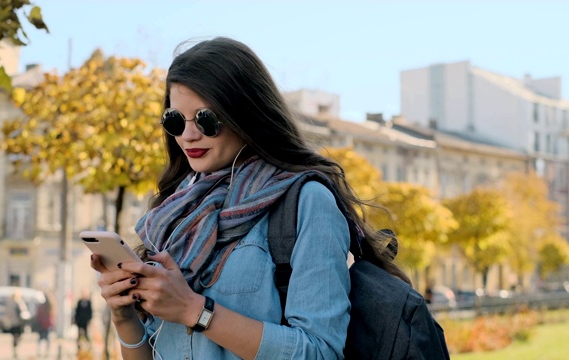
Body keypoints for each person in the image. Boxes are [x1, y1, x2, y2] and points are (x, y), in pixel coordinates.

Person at [91, 37, 408, 359]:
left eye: (205, 119)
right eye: (175, 120)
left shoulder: (305, 201)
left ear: (246, 114)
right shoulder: (173, 212)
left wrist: (194, 310)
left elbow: (320, 352)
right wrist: (123, 315)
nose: (188, 135)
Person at [3, 290, 29, 358]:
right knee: (19, 336)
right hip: (18, 322)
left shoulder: (9, 303)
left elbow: (7, 313)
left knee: (14, 337)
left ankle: (15, 349)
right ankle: (16, 348)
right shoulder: (19, 302)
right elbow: (23, 312)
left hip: (12, 323)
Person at [35, 293, 54, 358]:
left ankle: (39, 351)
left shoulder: (42, 306)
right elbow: (52, 315)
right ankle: (46, 352)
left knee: (40, 339)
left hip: (42, 324)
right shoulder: (50, 306)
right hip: (47, 325)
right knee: (47, 339)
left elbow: (38, 315)